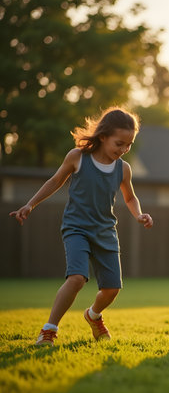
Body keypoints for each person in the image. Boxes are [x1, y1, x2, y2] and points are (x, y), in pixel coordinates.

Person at [9, 107, 153, 346]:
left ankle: (93, 315)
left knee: (112, 290)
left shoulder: (123, 169)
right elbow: (55, 181)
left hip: (106, 231)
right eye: (119, 143)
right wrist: (30, 204)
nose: (124, 150)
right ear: (103, 136)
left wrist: (139, 214)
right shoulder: (77, 157)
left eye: (129, 145)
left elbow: (129, 197)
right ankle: (49, 329)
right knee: (76, 278)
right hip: (76, 228)